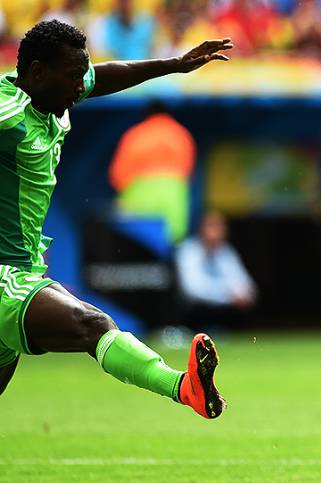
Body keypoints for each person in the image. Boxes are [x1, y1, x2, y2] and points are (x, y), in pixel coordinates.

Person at [0, 20, 233, 420]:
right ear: (37, 73)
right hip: (5, 275)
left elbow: (105, 76)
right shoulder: (8, 114)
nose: (81, 86)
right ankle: (183, 387)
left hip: (25, 268)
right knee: (92, 325)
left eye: (81, 74)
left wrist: (174, 64)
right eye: (74, 77)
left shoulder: (49, 95)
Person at [109, 101, 196, 244]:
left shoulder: (135, 135)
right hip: (173, 204)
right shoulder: (182, 135)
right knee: (170, 251)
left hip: (138, 207)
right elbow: (188, 172)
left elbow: (117, 176)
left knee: (139, 252)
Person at [176, 211, 257, 332]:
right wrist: (228, 295)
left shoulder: (226, 251)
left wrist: (243, 295)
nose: (217, 230)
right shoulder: (188, 250)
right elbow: (192, 289)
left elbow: (245, 284)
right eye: (212, 225)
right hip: (195, 316)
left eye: (221, 226)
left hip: (225, 315)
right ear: (201, 228)